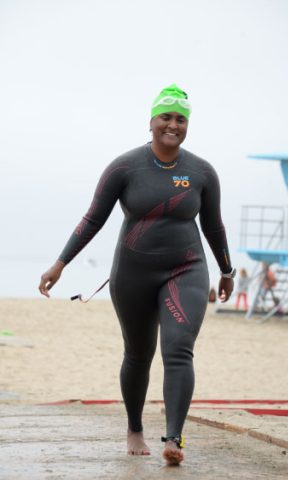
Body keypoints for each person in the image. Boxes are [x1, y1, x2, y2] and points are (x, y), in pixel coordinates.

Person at [38, 84, 235, 466]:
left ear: (187, 125)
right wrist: (60, 263)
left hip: (186, 268)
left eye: (181, 119)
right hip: (132, 274)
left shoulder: (202, 172)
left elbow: (214, 226)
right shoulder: (125, 168)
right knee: (138, 353)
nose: (173, 125)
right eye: (166, 117)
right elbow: (93, 218)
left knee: (178, 348)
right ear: (151, 122)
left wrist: (226, 269)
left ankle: (174, 437)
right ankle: (134, 427)